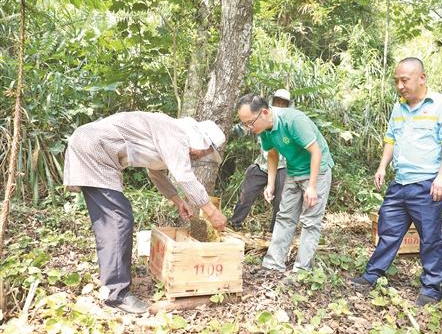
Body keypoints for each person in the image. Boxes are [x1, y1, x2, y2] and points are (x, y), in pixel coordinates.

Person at [64, 111, 227, 314]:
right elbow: (185, 177)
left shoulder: (168, 134)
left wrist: (176, 200)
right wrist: (212, 212)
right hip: (95, 149)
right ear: (200, 139)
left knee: (113, 219)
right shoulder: (176, 133)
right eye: (202, 152)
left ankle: (113, 285)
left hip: (92, 146)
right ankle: (116, 295)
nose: (199, 155)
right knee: (118, 220)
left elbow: (154, 171)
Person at [351, 57, 442, 307]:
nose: (400, 86)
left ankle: (432, 288)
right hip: (399, 183)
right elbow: (391, 139)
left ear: (421, 78)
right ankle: (372, 275)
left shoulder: (441, 105)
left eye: (405, 80)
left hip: (427, 184)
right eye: (396, 81)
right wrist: (382, 166)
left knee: (429, 238)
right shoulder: (398, 107)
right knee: (388, 232)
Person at [236, 93, 334, 274]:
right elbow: (272, 154)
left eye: (250, 122)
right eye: (245, 124)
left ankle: (302, 271)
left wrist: (312, 186)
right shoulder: (264, 130)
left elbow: (316, 152)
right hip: (293, 169)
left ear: (264, 112)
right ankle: (273, 264)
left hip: (317, 171)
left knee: (310, 221)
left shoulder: (293, 121)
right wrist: (270, 184)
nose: (249, 128)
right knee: (285, 216)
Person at [229, 89, 291, 232]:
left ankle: (274, 233)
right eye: (277, 102)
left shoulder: (288, 121)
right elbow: (241, 128)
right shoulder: (260, 116)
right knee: (247, 192)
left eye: (283, 103)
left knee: (280, 200)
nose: (280, 105)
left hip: (282, 166)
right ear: (272, 102)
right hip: (262, 164)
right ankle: (234, 224)